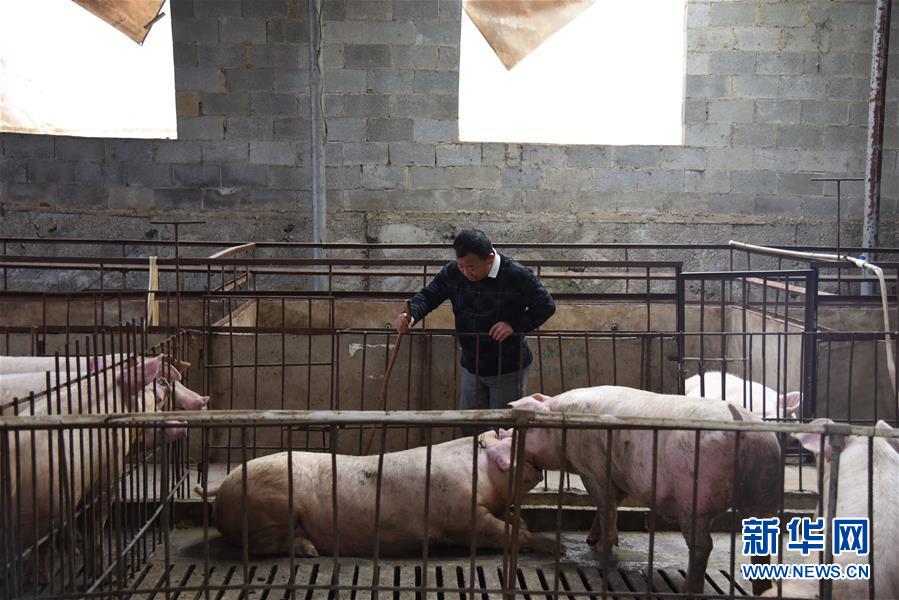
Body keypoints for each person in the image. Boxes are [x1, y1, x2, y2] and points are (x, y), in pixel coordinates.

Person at [394, 229, 556, 435]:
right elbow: (428, 296)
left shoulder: (516, 274)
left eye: (470, 267)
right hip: (472, 365)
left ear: (489, 259)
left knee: (503, 429)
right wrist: (411, 316)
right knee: (470, 426)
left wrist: (514, 325)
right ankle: (472, 467)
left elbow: (546, 305)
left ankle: (506, 467)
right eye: (461, 266)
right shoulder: (454, 272)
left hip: (507, 367)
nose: (465, 272)